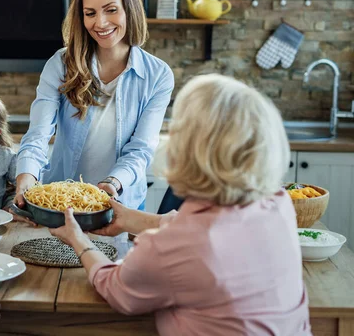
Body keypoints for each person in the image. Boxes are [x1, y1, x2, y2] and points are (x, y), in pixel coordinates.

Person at [50, 74, 311, 335]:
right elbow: (212, 231)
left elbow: (116, 289)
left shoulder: (171, 248)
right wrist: (133, 219)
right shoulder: (278, 206)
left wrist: (78, 240)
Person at [14, 0, 174, 211]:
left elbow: (141, 148)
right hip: (61, 201)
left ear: (129, 9)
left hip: (122, 202)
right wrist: (26, 174)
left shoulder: (158, 75)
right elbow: (39, 132)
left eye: (111, 10)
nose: (100, 23)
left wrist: (112, 183)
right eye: (90, 13)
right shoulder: (61, 63)